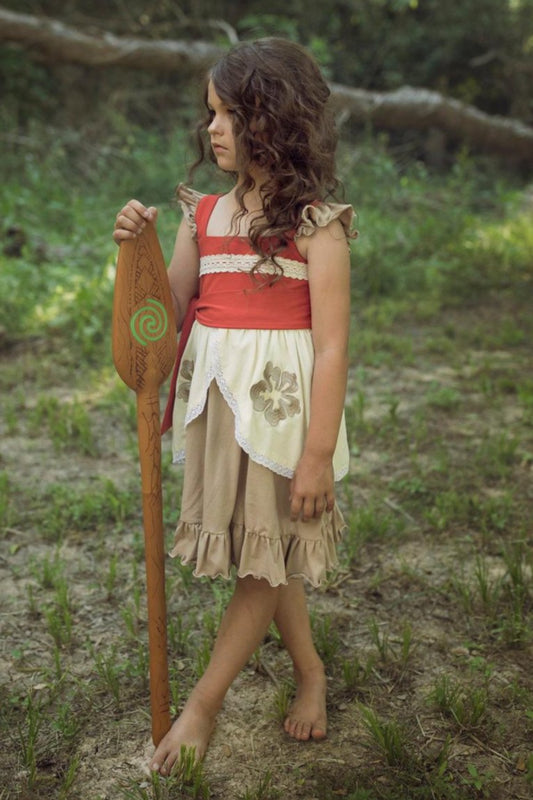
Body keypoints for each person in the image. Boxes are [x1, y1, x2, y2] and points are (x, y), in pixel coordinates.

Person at [113, 37, 355, 776]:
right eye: (209, 114)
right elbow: (165, 314)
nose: (210, 128)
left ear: (270, 119)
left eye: (225, 113)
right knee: (264, 550)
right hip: (222, 418)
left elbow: (333, 350)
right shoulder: (205, 218)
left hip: (284, 426)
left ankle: (201, 710)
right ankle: (310, 669)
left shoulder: (317, 226)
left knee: (261, 565)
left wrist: (316, 454)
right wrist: (137, 252)